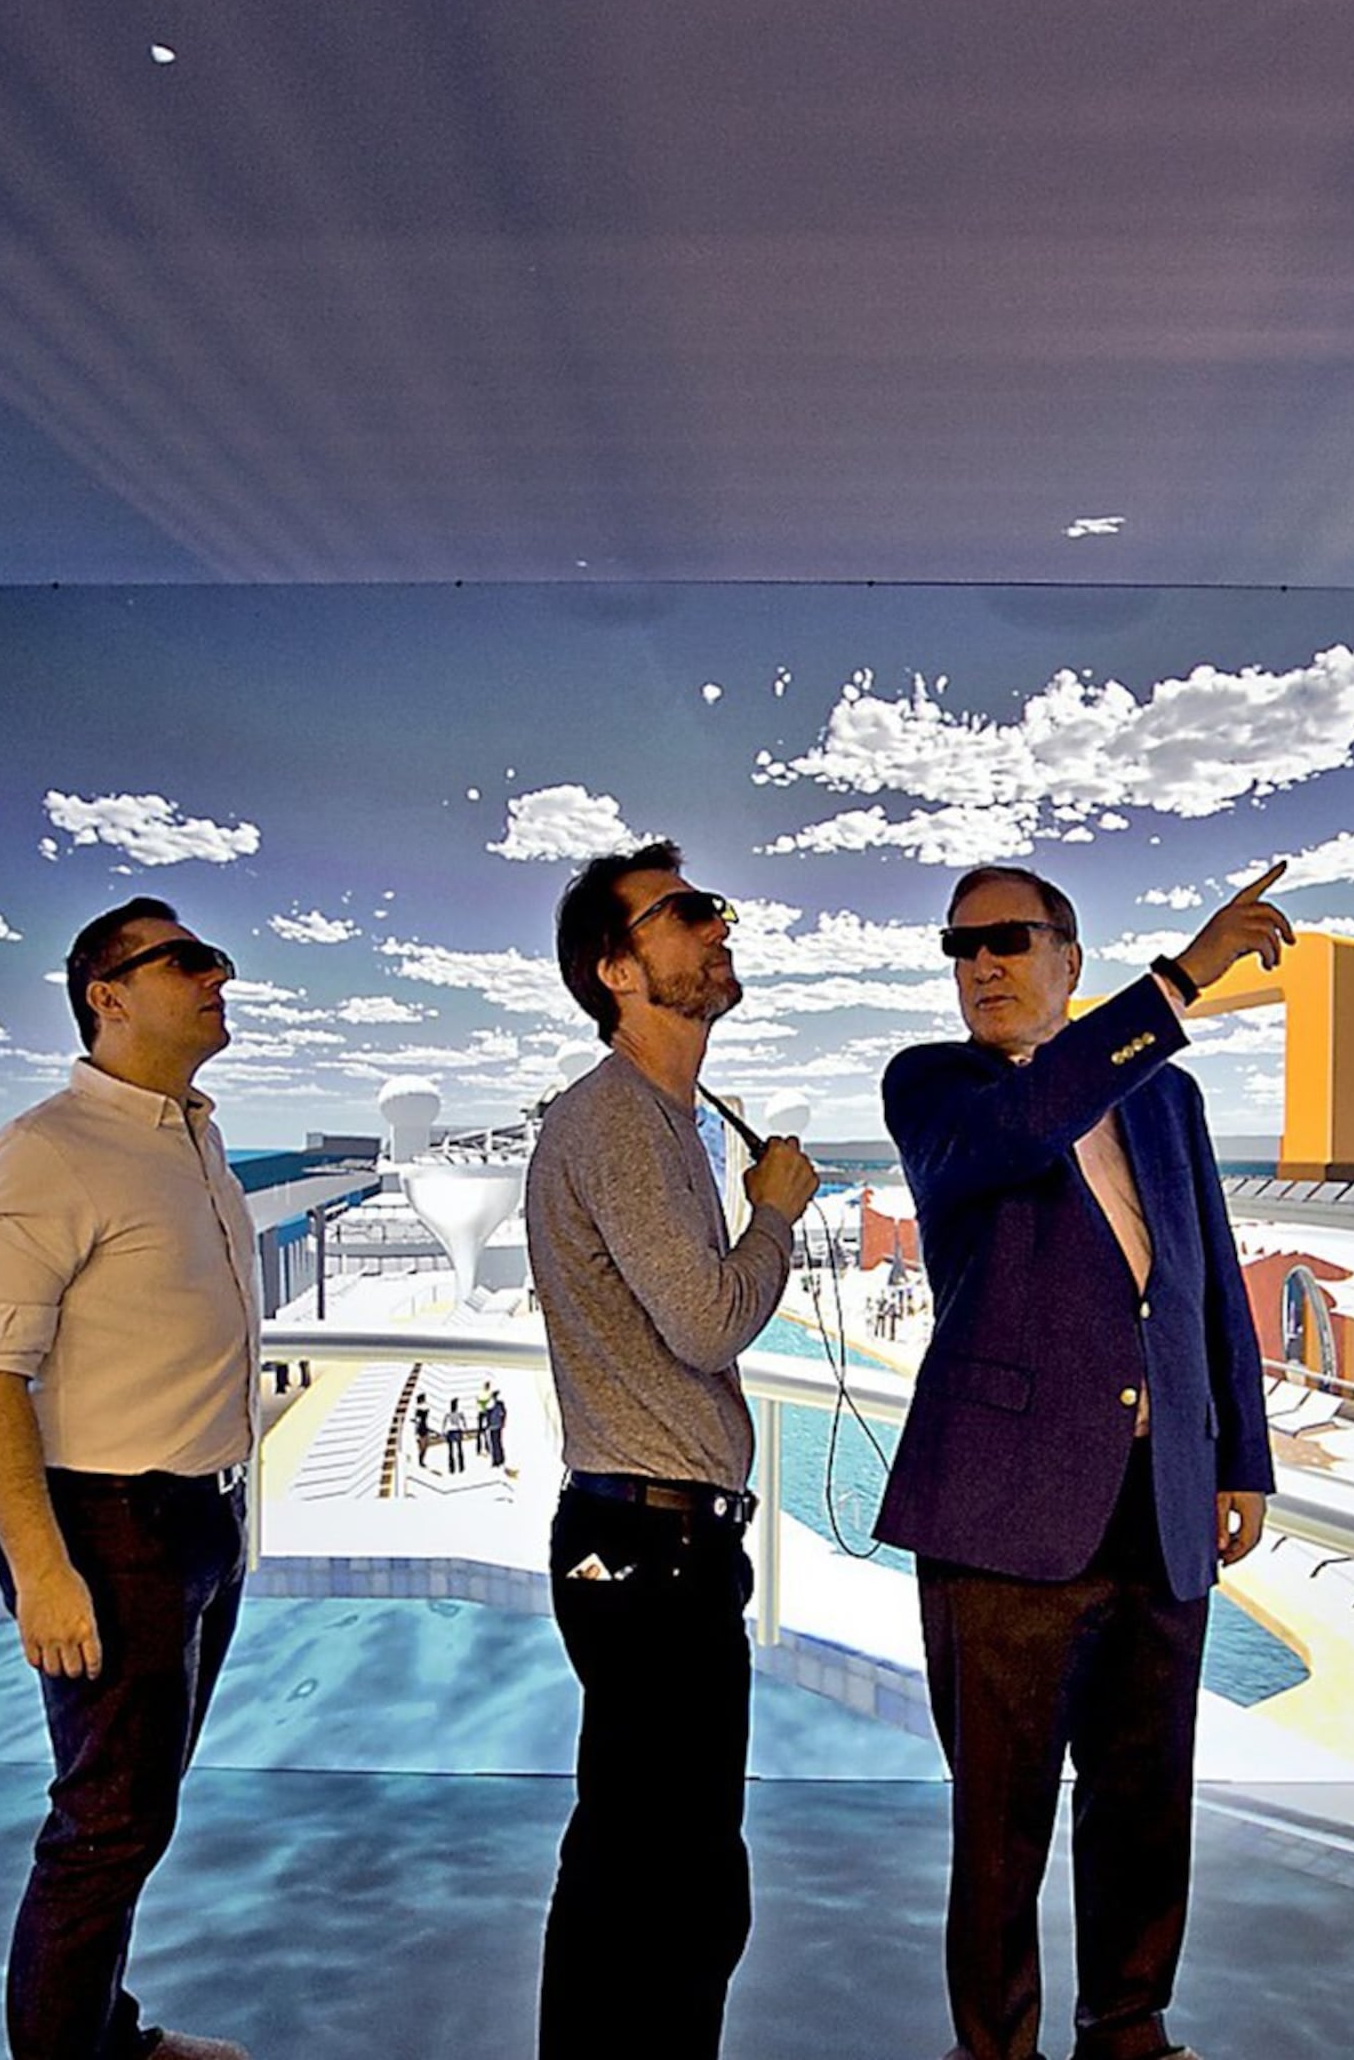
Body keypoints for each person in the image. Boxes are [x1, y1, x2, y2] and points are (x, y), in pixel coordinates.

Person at [876, 861, 1290, 2060]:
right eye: (960, 948)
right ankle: (994, 2048)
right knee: (1001, 1824)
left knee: (1147, 1800)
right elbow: (1031, 1119)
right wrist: (1183, 980)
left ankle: (1128, 2029)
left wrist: (1240, 1454)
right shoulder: (936, 1088)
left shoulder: (1167, 1098)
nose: (981, 965)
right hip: (1003, 1515)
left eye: (1008, 940)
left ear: (1070, 958)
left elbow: (1209, 1281)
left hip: (1158, 1504)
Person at [0, 897, 263, 2060]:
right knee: (102, 1830)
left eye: (216, 957)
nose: (219, 975)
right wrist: (43, 1572)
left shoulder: (190, 1138)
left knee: (137, 1814)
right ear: (107, 995)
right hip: (111, 1529)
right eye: (189, 960)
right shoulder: (44, 1153)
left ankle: (108, 2035)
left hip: (198, 1523)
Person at [524, 841, 821, 2058]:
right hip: (651, 1550)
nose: (718, 927)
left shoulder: (660, 1122)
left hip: (653, 1543)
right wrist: (775, 1217)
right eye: (687, 912)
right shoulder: (619, 1122)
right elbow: (705, 1322)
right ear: (616, 968)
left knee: (654, 1872)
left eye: (715, 910)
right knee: (667, 1887)